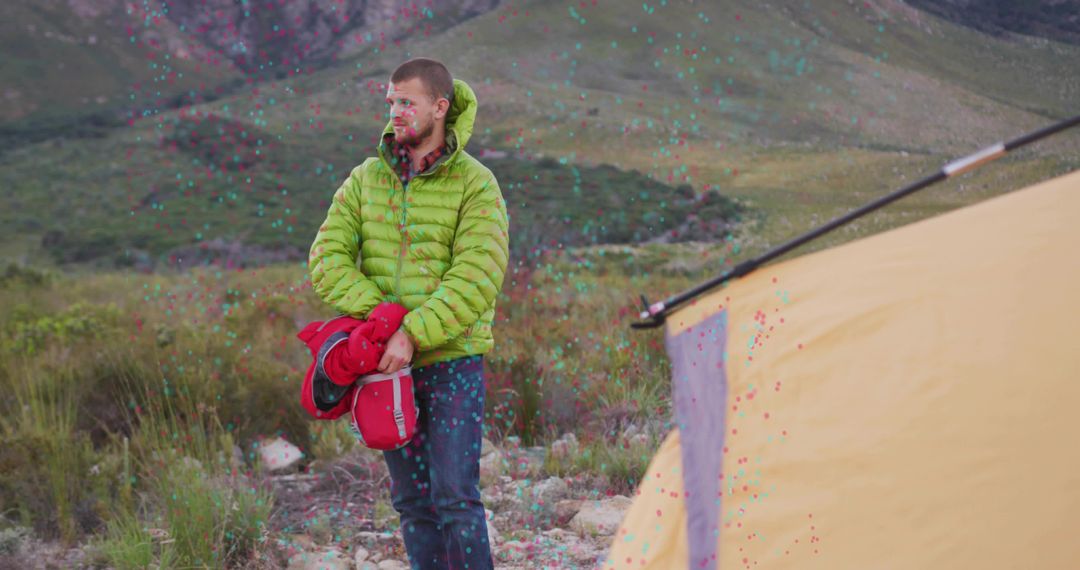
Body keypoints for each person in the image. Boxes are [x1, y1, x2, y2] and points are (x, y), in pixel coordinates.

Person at [307, 57, 509, 569]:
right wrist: (385, 321)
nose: (396, 112)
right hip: (384, 368)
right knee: (413, 503)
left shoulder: (475, 184)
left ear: (440, 107)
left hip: (452, 362)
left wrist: (414, 334)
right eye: (391, 102)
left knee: (456, 499)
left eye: (407, 102)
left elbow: (477, 276)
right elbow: (325, 261)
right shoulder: (364, 180)